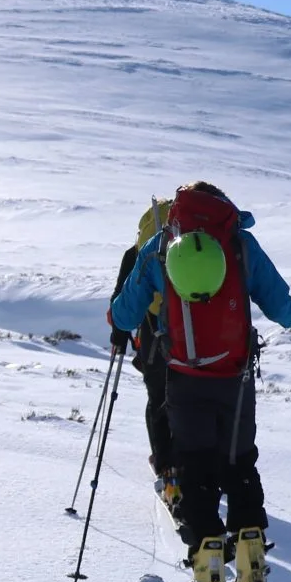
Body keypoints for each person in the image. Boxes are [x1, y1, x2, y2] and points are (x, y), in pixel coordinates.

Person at [110, 181, 291, 582]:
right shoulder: (239, 243)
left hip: (185, 377)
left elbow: (125, 315)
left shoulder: (161, 246)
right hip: (236, 379)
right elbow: (280, 304)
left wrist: (118, 318)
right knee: (240, 465)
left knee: (196, 471)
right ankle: (251, 574)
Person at [110, 196, 178, 512]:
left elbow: (123, 297)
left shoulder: (140, 249)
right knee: (197, 398)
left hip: (155, 332)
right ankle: (199, 466)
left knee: (159, 398)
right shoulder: (200, 240)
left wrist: (119, 334)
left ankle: (167, 470)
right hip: (200, 333)